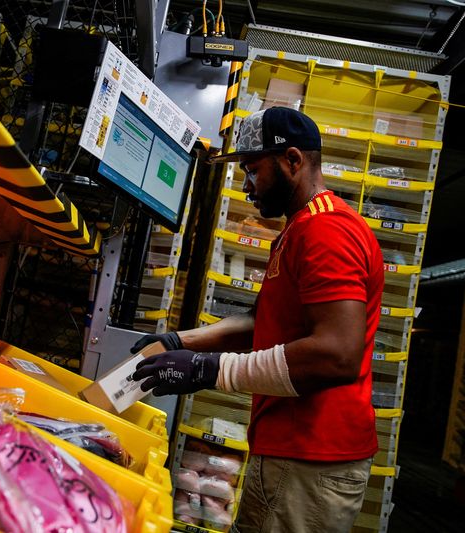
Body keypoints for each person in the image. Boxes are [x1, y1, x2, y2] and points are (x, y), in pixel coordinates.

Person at [130, 106, 384, 533]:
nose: (247, 187)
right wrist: (182, 342)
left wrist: (212, 370)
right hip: (295, 451)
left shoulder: (326, 231)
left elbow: (338, 353)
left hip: (311, 455)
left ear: (293, 161)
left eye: (253, 171)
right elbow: (262, 320)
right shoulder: (300, 228)